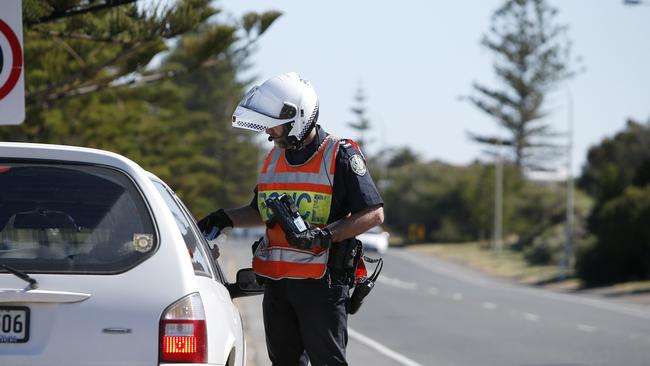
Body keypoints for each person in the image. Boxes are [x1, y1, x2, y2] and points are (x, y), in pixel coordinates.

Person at [197, 72, 384, 366]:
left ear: (296, 117)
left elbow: (373, 213)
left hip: (321, 284)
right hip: (276, 284)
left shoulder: (340, 154)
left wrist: (324, 236)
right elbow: (259, 210)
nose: (269, 133)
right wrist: (224, 218)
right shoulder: (274, 157)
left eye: (274, 126)